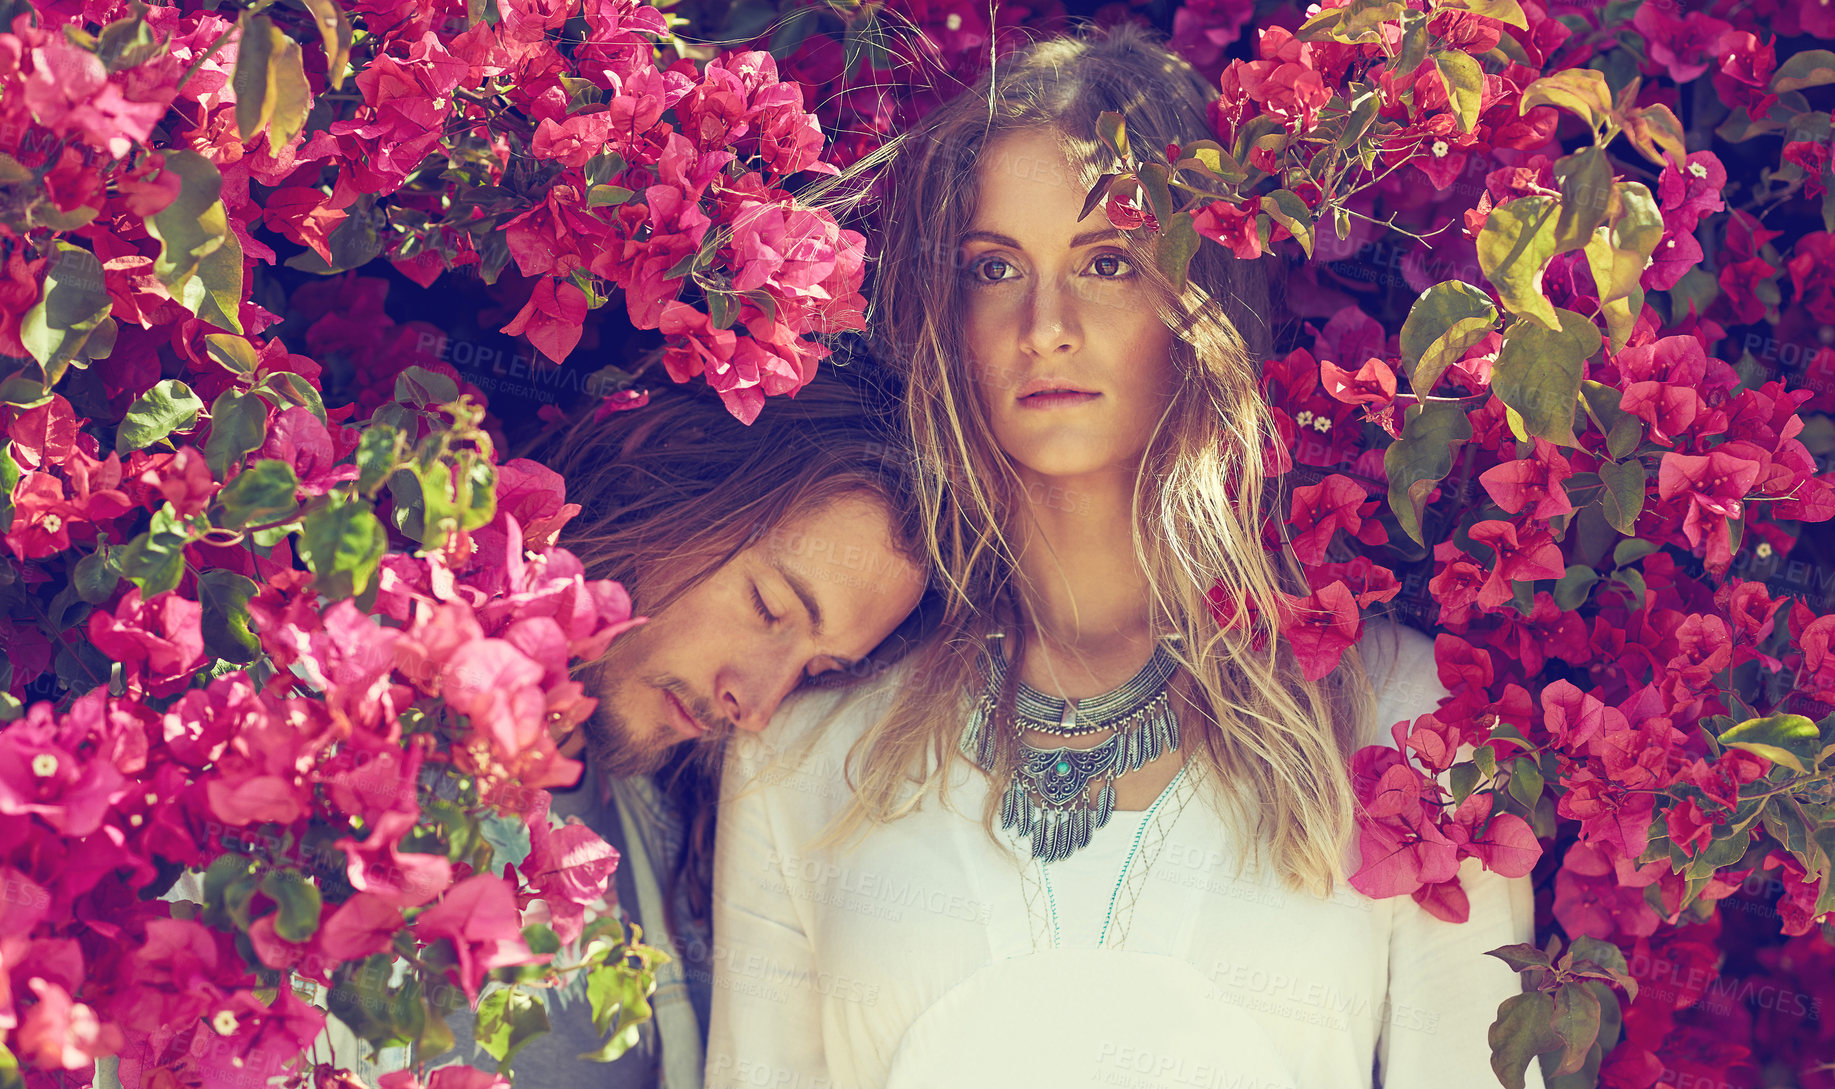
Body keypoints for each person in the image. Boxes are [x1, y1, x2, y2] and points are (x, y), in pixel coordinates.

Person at [706, 25, 1541, 1089]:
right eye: (991, 267)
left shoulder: (1393, 713)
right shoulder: (810, 741)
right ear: (943, 317)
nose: (1043, 324)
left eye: (1106, 262)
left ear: (1198, 301)